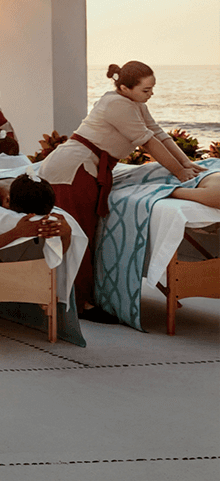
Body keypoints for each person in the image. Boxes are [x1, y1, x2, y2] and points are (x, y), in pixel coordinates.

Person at [40, 61, 202, 322]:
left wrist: (186, 163)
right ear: (125, 88)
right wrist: (179, 173)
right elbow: (147, 141)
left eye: (152, 89)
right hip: (71, 171)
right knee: (79, 235)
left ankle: (82, 300)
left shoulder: (134, 103)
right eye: (146, 90)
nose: (151, 95)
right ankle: (80, 305)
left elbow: (158, 133)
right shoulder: (116, 104)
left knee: (87, 235)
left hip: (87, 169)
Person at [0, 173, 71, 259]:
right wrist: (17, 232)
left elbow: (59, 255)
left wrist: (67, 233)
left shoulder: (33, 191)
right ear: (7, 200)